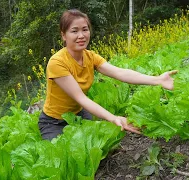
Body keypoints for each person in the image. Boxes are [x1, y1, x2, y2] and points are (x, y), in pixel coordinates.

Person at [38, 9, 177, 140]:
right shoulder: (57, 62)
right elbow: (81, 98)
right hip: (54, 121)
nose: (81, 35)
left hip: (79, 113)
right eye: (74, 31)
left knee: (99, 146)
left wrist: (158, 79)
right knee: (62, 156)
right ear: (64, 35)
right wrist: (113, 118)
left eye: (85, 30)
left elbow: (120, 72)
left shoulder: (90, 57)